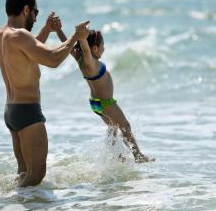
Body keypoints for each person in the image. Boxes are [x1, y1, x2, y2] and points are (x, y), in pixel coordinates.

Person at [0, 0, 90, 187]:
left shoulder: (1, 35)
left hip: (12, 111)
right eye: (35, 13)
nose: (36, 19)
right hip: (27, 112)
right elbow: (52, 60)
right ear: (26, 10)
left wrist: (47, 30)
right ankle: (20, 207)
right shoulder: (20, 35)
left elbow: (28, 52)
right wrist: (76, 36)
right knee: (36, 174)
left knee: (24, 173)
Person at [55, 26, 154, 163]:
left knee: (113, 129)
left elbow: (68, 44)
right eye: (102, 45)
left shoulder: (80, 59)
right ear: (94, 48)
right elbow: (85, 49)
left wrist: (58, 30)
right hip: (106, 103)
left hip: (96, 104)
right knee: (125, 126)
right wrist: (82, 37)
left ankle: (116, 158)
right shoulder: (90, 62)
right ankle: (138, 156)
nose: (104, 48)